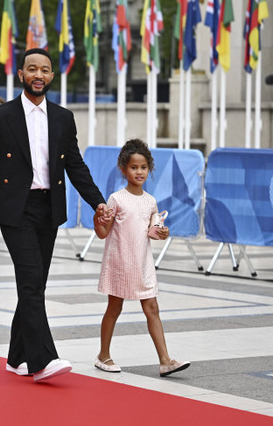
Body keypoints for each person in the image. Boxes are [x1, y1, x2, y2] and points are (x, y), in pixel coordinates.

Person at [0, 48, 113, 382]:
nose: (38, 75)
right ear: (21, 74)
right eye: (32, 69)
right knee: (29, 282)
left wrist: (97, 201)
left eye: (44, 70)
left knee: (35, 284)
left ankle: (16, 357)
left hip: (49, 208)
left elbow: (75, 165)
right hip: (15, 208)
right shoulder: (1, 117)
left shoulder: (62, 117)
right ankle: (42, 359)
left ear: (52, 76)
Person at [93, 139, 190, 377]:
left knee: (152, 308)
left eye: (144, 167)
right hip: (120, 263)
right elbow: (103, 234)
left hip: (143, 263)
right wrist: (98, 221)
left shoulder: (151, 202)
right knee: (114, 308)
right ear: (123, 169)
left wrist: (163, 234)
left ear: (150, 169)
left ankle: (165, 361)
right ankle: (103, 355)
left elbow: (152, 232)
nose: (139, 172)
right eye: (134, 167)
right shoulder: (116, 199)